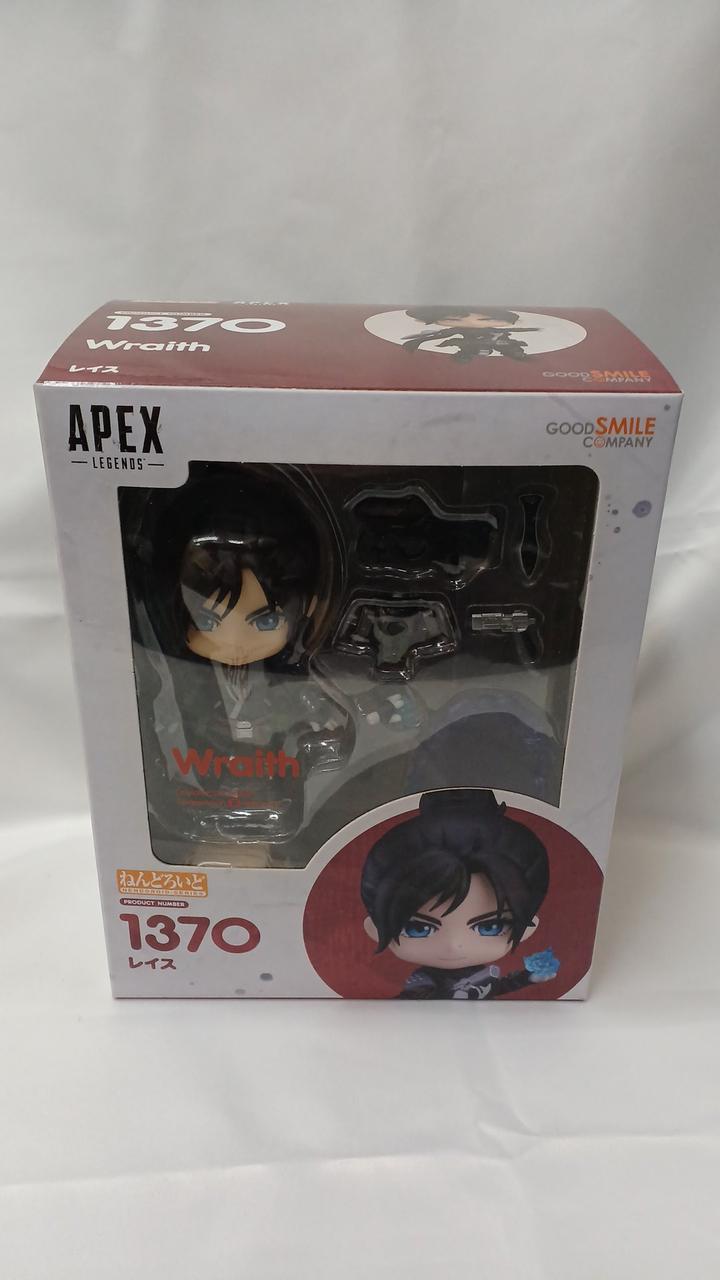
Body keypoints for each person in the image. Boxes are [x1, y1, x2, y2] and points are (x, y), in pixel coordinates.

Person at [360, 788, 559, 998]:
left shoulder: (482, 974)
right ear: (375, 929)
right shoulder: (424, 980)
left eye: (491, 927)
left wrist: (527, 978)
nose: (454, 946)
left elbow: (499, 986)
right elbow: (411, 998)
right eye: (417, 929)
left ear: (528, 927)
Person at [402, 307, 538, 363]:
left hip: (497, 342)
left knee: (509, 346)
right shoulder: (459, 331)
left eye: (486, 320)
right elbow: (442, 334)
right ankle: (463, 356)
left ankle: (517, 354)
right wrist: (417, 342)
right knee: (465, 349)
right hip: (470, 345)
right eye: (454, 320)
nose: (472, 323)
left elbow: (514, 331)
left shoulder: (498, 333)